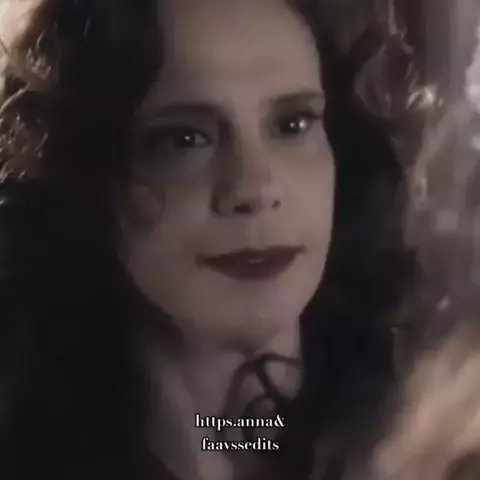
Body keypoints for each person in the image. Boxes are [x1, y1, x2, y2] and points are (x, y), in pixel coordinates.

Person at [0, 0, 415, 479]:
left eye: (292, 125)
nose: (255, 189)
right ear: (88, 173)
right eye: (183, 139)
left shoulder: (434, 423)